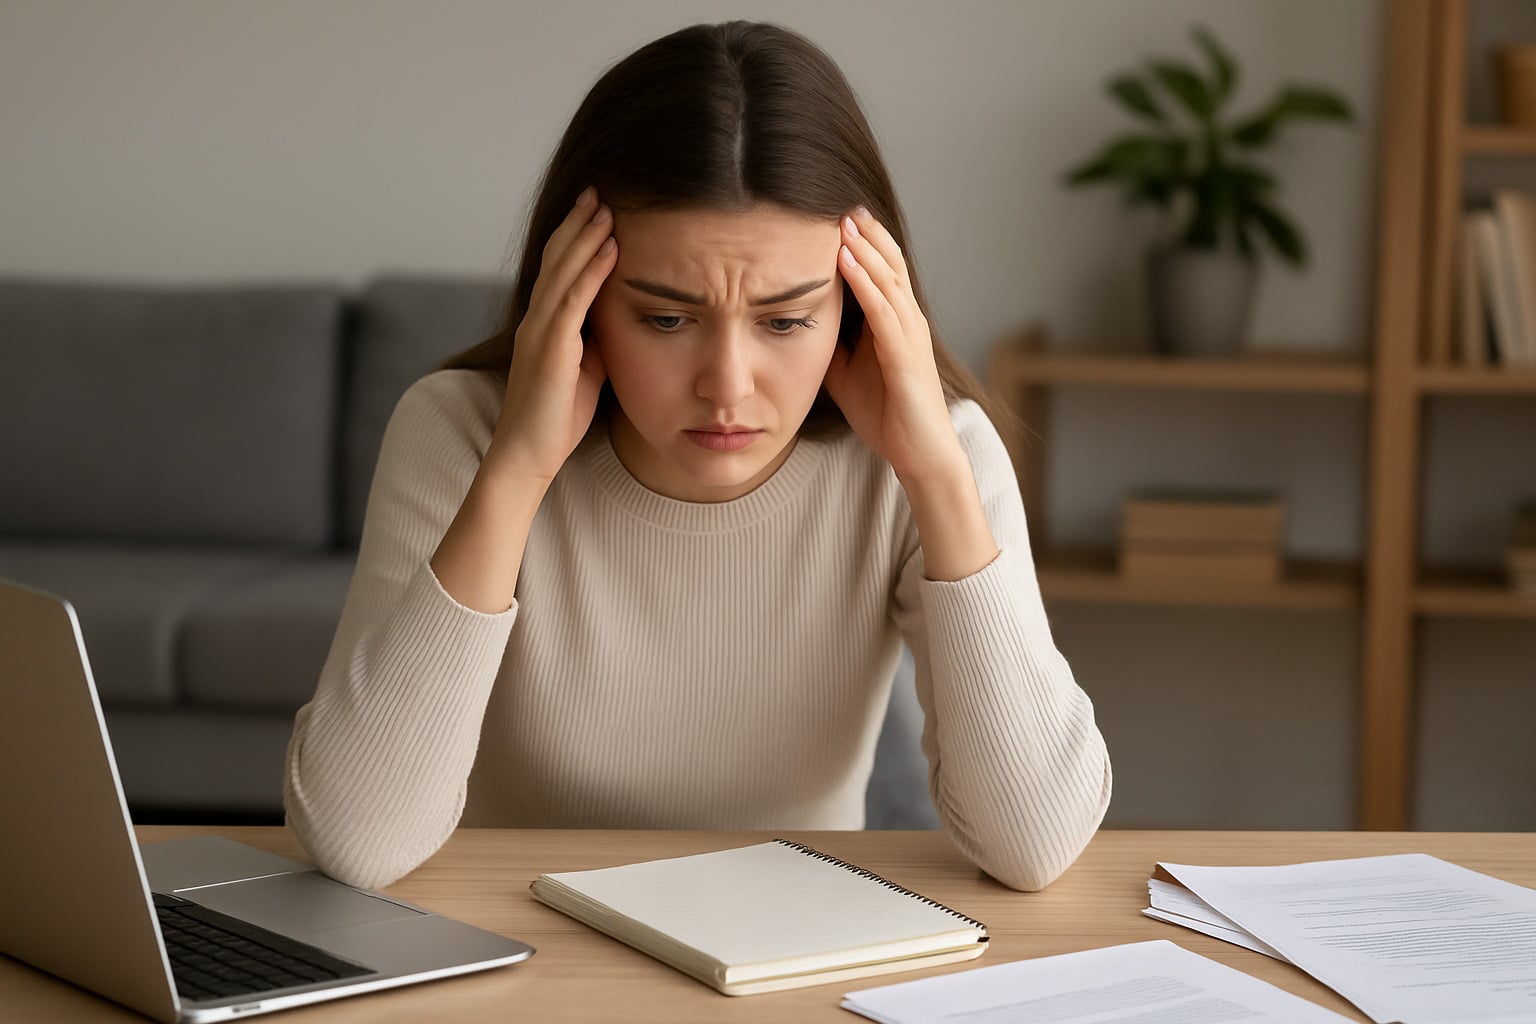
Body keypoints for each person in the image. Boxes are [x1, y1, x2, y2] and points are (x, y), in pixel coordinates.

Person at [283, 20, 1111, 892]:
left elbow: (1034, 846)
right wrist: (518, 469)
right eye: (666, 319)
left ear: (860, 310)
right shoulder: (454, 432)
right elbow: (357, 842)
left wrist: (938, 478)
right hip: (519, 949)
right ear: (582, 298)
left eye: (787, 321)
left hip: (794, 951)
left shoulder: (932, 457)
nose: (726, 387)